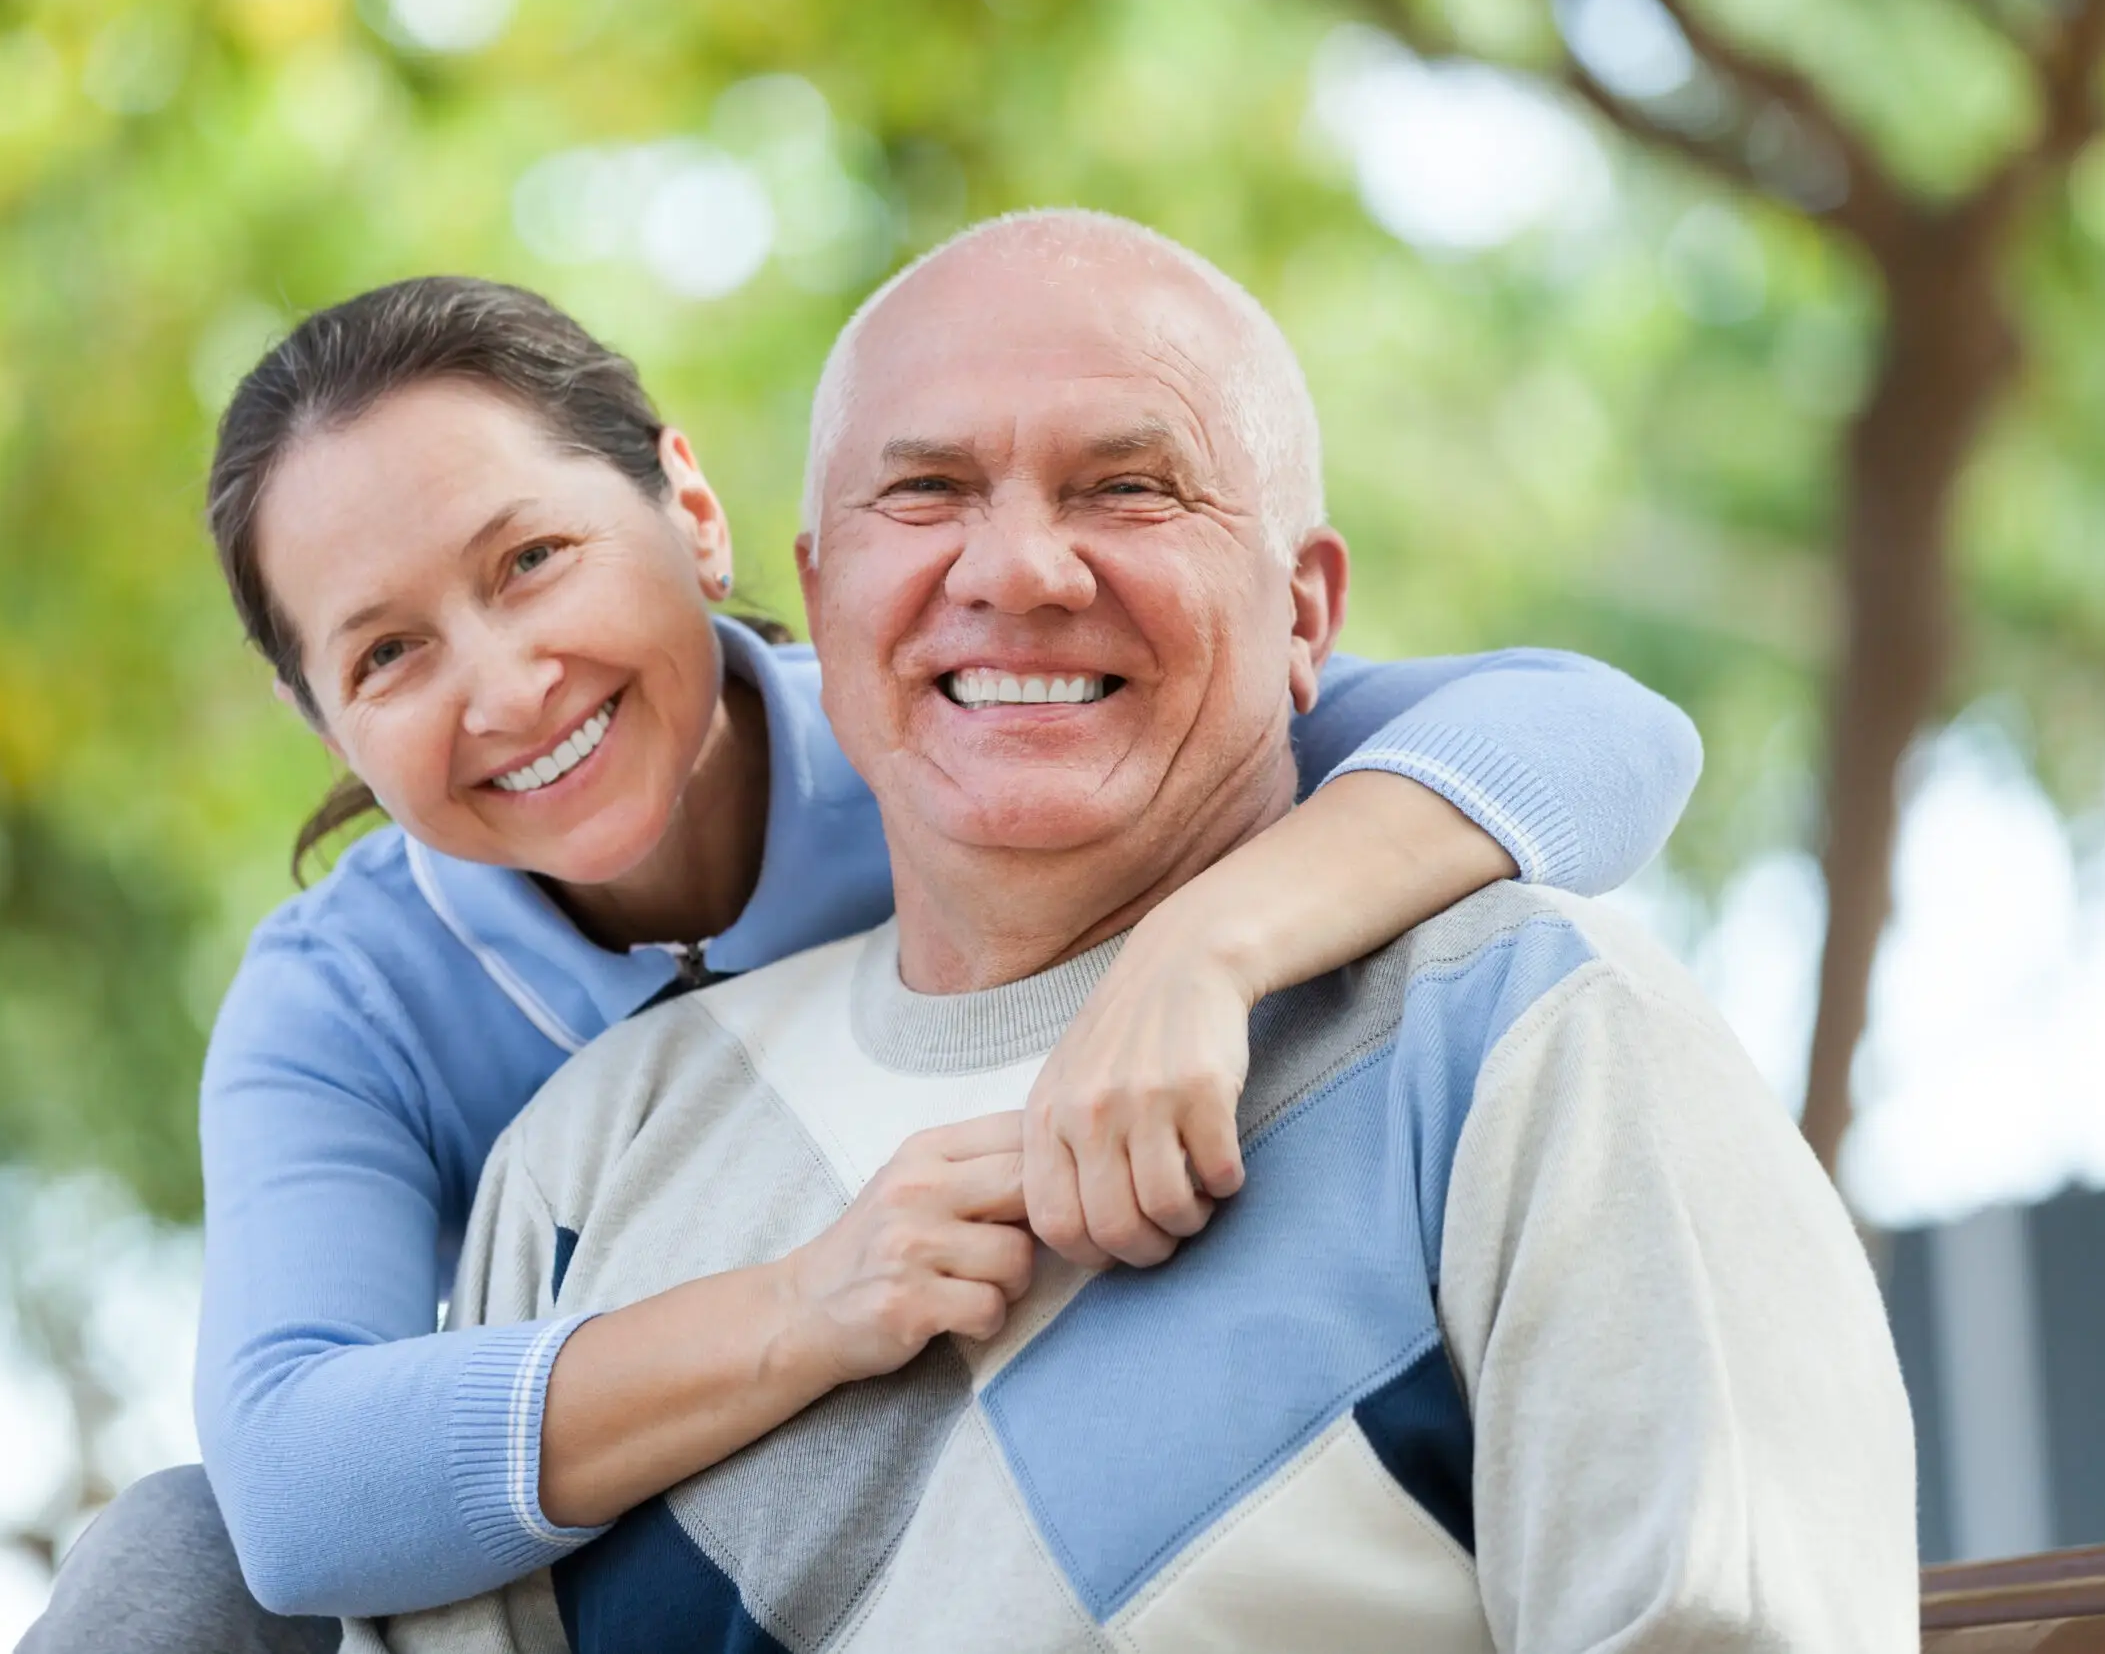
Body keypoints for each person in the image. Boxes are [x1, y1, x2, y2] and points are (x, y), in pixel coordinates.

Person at [20, 260, 1703, 1648]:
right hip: (672, 1535)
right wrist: (803, 1303)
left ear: (692, 510)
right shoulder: (348, 995)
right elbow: (297, 1491)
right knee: (167, 1561)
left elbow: (1592, 731)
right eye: (388, 653)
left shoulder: (969, 727)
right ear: (317, 713)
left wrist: (1206, 947)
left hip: (1079, 1469)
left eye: (532, 561)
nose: (510, 683)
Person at [358, 209, 1916, 1653]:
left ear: (1306, 613)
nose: (1022, 569)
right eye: (929, 490)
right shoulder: (591, 1161)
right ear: (822, 607)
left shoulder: (1524, 1038)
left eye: (1129, 486)